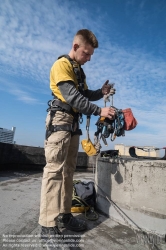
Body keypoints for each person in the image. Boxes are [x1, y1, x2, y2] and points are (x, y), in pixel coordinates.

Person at [39, 29, 115, 246]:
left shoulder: (78, 71)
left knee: (68, 173)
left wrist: (101, 92)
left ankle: (64, 215)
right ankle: (47, 226)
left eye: (91, 55)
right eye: (87, 53)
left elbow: (84, 94)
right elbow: (73, 97)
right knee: (54, 172)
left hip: (72, 125)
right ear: (75, 47)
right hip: (60, 121)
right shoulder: (62, 65)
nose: (89, 58)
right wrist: (100, 111)